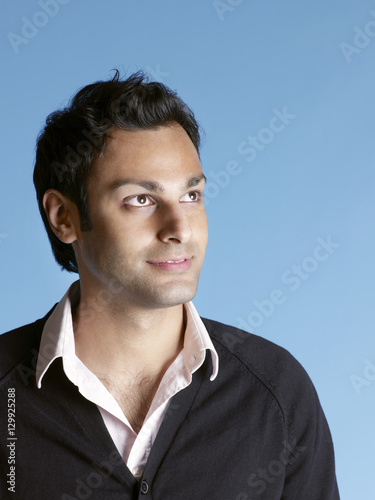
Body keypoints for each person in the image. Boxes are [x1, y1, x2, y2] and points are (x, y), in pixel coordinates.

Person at [0, 71, 340, 499]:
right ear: (64, 217)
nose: (180, 228)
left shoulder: (276, 392)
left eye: (191, 196)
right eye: (140, 200)